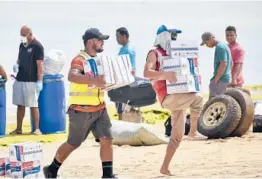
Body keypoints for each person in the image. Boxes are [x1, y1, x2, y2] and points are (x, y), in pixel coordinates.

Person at [43, 28, 117, 179]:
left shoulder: (97, 60)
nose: (103, 43)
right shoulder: (79, 59)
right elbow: (72, 75)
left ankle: (107, 175)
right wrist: (93, 80)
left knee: (107, 139)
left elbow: (100, 81)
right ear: (90, 42)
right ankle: (52, 169)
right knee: (73, 143)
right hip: (81, 110)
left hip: (100, 108)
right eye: (100, 40)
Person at [143, 25, 205, 176]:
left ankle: (164, 167)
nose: (175, 38)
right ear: (163, 36)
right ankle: (194, 132)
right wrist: (165, 75)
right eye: (172, 35)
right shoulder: (154, 52)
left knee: (177, 134)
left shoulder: (174, 53)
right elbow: (146, 72)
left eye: (176, 36)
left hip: (178, 95)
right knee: (197, 100)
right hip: (167, 97)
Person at [10, 25, 44, 135]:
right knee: (20, 105)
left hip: (31, 80)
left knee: (33, 105)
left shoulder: (38, 46)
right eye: (21, 35)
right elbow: (19, 58)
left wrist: (40, 81)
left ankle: (37, 129)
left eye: (23, 35)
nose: (22, 37)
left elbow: (40, 65)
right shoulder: (22, 45)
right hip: (20, 78)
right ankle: (19, 129)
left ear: (30, 34)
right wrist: (16, 64)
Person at [200, 32, 232, 99]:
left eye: (206, 43)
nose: (206, 45)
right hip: (225, 79)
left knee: (213, 104)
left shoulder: (219, 47)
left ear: (210, 39)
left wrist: (216, 80)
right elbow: (231, 63)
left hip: (220, 80)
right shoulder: (224, 45)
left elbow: (223, 64)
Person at [115, 27, 136, 120]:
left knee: (122, 108)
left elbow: (130, 68)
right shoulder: (124, 48)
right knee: (121, 107)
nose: (117, 39)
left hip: (125, 83)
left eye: (118, 37)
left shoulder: (128, 50)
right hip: (122, 82)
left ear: (124, 36)